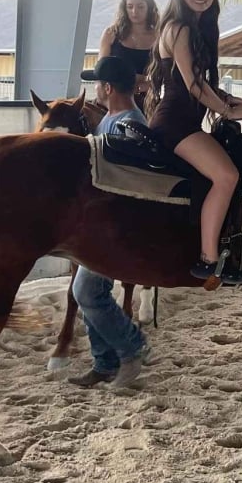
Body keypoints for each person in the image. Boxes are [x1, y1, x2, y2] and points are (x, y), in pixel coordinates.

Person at [149, 0, 242, 287]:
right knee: (227, 176)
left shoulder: (201, 28)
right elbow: (193, 85)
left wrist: (230, 99)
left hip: (186, 120)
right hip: (175, 123)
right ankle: (208, 260)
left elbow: (205, 84)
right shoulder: (179, 28)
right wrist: (227, 111)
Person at [69, 55, 154, 388]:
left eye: (96, 84)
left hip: (116, 229)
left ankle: (133, 347)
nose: (94, 90)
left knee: (87, 291)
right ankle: (104, 362)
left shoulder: (129, 126)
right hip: (102, 226)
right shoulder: (112, 120)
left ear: (107, 88)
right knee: (88, 291)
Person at [97, 0, 158, 112]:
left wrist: (149, 84)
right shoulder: (111, 33)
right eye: (130, 7)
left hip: (148, 96)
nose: (134, 12)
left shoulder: (159, 36)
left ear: (149, 8)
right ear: (124, 9)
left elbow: (165, 71)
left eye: (140, 7)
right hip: (114, 96)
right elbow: (102, 68)